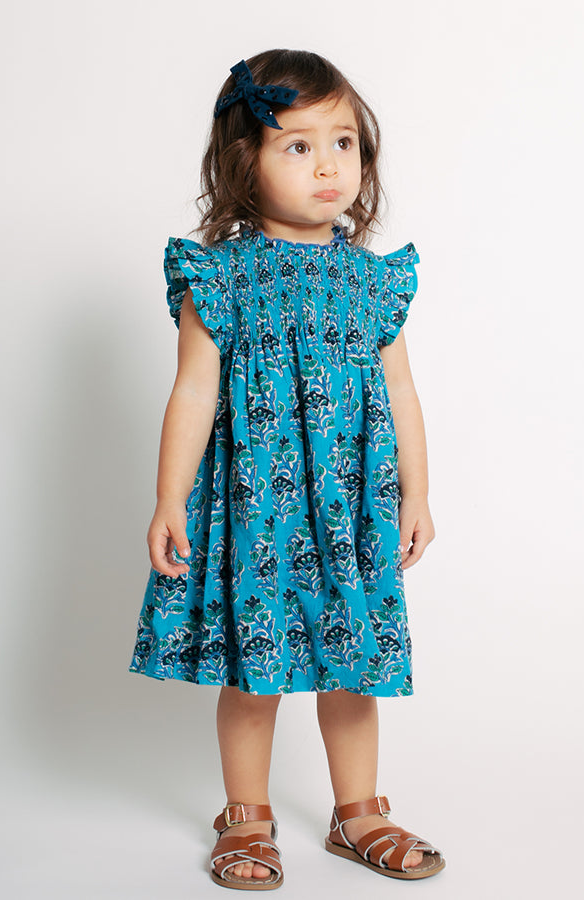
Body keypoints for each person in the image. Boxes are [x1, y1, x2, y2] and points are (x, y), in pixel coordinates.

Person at [129, 49, 445, 890]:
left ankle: (358, 812)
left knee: (354, 663)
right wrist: (168, 497)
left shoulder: (372, 282)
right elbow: (193, 390)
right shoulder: (219, 276)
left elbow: (401, 393)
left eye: (343, 143)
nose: (329, 165)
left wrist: (416, 492)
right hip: (256, 508)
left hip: (350, 507)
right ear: (245, 160)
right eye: (298, 146)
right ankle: (246, 815)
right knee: (254, 670)